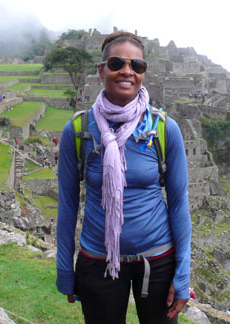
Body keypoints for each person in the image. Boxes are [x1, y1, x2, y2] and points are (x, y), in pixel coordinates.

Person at [57, 31, 191, 324]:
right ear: (101, 69)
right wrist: (64, 269)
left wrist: (182, 272)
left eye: (137, 66)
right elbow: (67, 205)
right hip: (97, 261)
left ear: (143, 72)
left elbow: (179, 202)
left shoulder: (164, 129)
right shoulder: (78, 130)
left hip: (157, 262)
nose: (127, 71)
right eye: (117, 63)